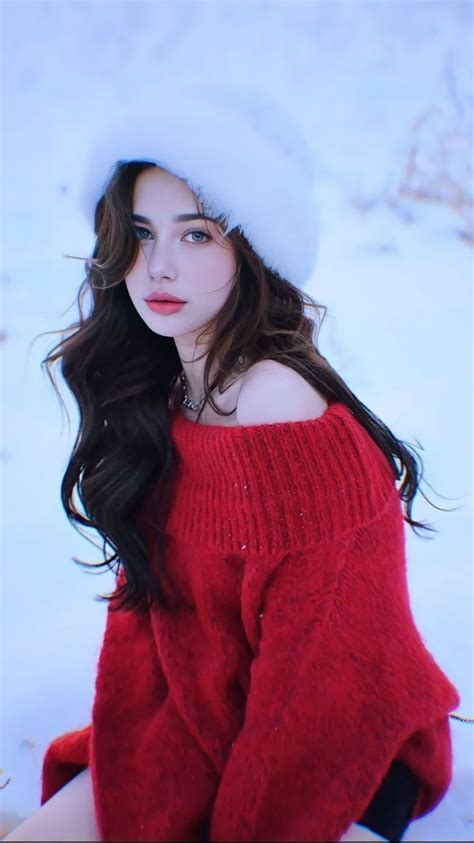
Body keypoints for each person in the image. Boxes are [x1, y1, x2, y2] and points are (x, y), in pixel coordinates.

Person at [4, 85, 462, 842]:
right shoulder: (166, 390)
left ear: (252, 248)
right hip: (199, 723)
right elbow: (152, 626)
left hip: (341, 756)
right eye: (141, 234)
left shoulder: (279, 407)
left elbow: (322, 683)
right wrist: (136, 774)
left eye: (197, 235)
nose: (158, 267)